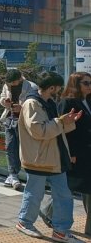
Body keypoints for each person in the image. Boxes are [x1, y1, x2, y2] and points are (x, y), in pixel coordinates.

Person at [15, 72, 83, 241]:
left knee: (63, 196)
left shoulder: (47, 102)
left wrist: (67, 122)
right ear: (52, 87)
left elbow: (52, 128)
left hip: (52, 158)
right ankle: (25, 222)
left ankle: (60, 230)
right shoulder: (32, 103)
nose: (60, 90)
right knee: (35, 193)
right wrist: (62, 122)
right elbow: (39, 131)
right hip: (39, 159)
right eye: (58, 87)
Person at [36, 72, 91, 237]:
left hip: (87, 152)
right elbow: (62, 129)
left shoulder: (88, 101)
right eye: (86, 83)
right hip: (77, 153)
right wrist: (70, 152)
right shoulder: (67, 102)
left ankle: (48, 211)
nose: (90, 86)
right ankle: (49, 211)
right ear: (76, 84)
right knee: (70, 186)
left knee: (78, 187)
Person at [0, 69, 37, 190]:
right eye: (9, 83)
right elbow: (2, 97)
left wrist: (22, 108)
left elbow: (35, 105)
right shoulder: (7, 85)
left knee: (25, 149)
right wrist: (5, 102)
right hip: (9, 119)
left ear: (19, 79)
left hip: (24, 121)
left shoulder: (31, 87)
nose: (10, 85)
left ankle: (29, 174)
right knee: (10, 146)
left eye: (12, 82)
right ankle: (13, 174)